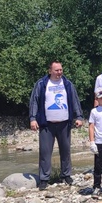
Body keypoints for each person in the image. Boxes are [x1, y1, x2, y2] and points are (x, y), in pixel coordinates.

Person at [29, 61, 84, 191]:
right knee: (45, 152)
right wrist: (33, 118)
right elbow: (34, 101)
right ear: (50, 71)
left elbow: (75, 100)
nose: (59, 72)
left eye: (60, 70)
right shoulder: (42, 84)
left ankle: (66, 175)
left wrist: (79, 117)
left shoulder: (67, 84)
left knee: (65, 151)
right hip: (46, 124)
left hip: (64, 123)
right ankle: (44, 178)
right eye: (56, 70)